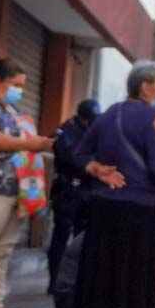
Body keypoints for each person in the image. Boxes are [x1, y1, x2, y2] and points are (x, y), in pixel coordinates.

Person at [70, 60, 155, 308]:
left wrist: (97, 170)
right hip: (139, 210)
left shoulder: (107, 115)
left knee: (95, 281)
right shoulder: (154, 118)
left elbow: (78, 154)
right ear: (145, 86)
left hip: (103, 208)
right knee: (135, 283)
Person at [0, 56, 53, 308]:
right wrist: (28, 143)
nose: (20, 91)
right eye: (15, 84)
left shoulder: (9, 110)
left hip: (14, 190)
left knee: (3, 249)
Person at [48, 99, 100, 295]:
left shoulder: (92, 132)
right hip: (67, 189)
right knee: (61, 236)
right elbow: (70, 157)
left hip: (86, 190)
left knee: (82, 238)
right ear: (83, 118)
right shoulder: (65, 131)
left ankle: (76, 282)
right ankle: (55, 283)